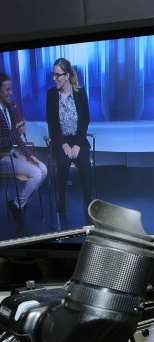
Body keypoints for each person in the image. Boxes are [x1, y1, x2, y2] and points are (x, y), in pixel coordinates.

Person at [46, 57, 92, 229]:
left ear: (66, 76)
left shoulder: (80, 93)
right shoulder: (51, 95)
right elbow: (51, 123)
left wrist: (77, 145)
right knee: (63, 163)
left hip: (78, 140)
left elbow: (85, 120)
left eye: (57, 75)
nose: (54, 78)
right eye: (53, 75)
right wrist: (64, 145)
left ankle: (89, 203)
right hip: (61, 141)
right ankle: (61, 202)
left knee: (85, 164)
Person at [0, 72, 47, 225]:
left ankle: (18, 204)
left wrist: (28, 155)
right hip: (2, 158)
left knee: (43, 169)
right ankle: (18, 206)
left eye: (11, 89)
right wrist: (17, 132)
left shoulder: (8, 109)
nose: (10, 93)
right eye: (7, 90)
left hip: (11, 154)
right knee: (36, 174)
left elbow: (17, 138)